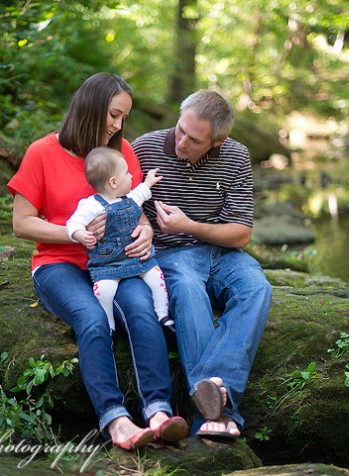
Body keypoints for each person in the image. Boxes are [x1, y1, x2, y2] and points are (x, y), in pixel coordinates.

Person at [8, 72, 187, 450]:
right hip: (59, 263)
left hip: (116, 265)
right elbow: (22, 224)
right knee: (91, 318)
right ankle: (116, 420)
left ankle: (158, 411)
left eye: (123, 117)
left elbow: (134, 211)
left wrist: (146, 231)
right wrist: (79, 232)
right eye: (113, 115)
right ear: (89, 107)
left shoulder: (122, 155)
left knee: (141, 311)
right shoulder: (42, 153)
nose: (118, 126)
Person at [132, 89, 272, 439]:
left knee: (257, 288)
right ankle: (220, 414)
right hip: (172, 255)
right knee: (189, 292)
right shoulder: (144, 148)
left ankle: (210, 395)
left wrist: (188, 225)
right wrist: (146, 224)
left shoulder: (237, 156)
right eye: (180, 130)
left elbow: (241, 234)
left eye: (194, 140)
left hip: (224, 253)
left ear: (218, 141)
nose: (181, 143)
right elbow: (122, 207)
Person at [66, 147, 173, 334]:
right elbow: (73, 222)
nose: (131, 176)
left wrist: (149, 181)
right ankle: (109, 324)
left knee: (157, 277)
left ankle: (162, 314)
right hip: (107, 263)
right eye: (127, 172)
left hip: (136, 258)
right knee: (104, 291)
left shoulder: (128, 198)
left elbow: (141, 191)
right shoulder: (90, 205)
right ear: (114, 182)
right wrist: (80, 234)